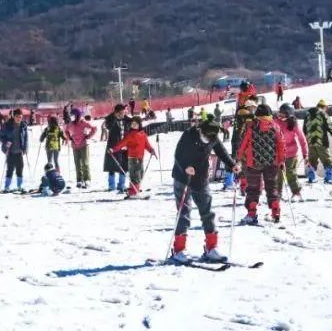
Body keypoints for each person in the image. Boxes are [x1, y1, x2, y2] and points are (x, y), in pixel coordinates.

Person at [169, 118, 239, 264]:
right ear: (201, 130)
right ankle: (178, 249)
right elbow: (178, 155)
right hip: (183, 177)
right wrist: (186, 166)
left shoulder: (213, 136)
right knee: (184, 212)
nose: (210, 139)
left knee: (207, 211)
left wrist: (232, 165)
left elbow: (221, 151)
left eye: (213, 137)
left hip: (200, 177)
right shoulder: (189, 135)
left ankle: (211, 248)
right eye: (208, 136)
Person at [238, 104, 285, 224]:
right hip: (272, 163)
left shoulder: (252, 127)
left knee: (253, 189)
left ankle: (252, 213)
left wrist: (238, 158)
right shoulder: (275, 127)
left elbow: (243, 143)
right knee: (272, 187)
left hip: (253, 163)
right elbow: (281, 145)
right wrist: (281, 161)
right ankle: (276, 211)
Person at [112, 116, 155, 197]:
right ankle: (133, 191)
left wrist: (151, 150)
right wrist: (113, 149)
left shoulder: (143, 134)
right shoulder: (130, 135)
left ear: (139, 124)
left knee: (140, 174)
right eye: (132, 123)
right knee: (135, 175)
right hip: (133, 158)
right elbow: (121, 143)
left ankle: (134, 189)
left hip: (140, 158)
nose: (134, 125)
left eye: (136, 123)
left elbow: (147, 145)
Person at [274, 104, 307, 201]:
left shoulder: (294, 124)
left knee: (290, 172)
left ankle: (296, 192)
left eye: (283, 115)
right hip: (278, 153)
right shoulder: (275, 122)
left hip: (291, 153)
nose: (281, 117)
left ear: (289, 115)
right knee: (278, 173)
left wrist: (305, 154)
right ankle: (277, 193)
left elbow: (302, 139)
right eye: (280, 114)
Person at [304, 100, 332, 184]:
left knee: (312, 160)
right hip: (321, 141)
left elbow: (304, 129)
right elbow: (329, 126)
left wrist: (309, 138)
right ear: (324, 107)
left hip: (311, 142)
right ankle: (329, 177)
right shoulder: (323, 114)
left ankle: (312, 177)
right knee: (327, 159)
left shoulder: (307, 115)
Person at [0, 109, 29, 193]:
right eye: (17, 117)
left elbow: (26, 138)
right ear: (13, 116)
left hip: (19, 150)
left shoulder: (23, 125)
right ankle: (7, 186)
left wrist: (25, 147)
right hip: (10, 150)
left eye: (20, 117)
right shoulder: (7, 125)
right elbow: (0, 136)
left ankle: (19, 185)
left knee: (20, 168)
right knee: (10, 169)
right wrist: (5, 142)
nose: (19, 118)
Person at [64, 108, 95, 189]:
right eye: (71, 115)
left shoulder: (83, 122)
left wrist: (88, 136)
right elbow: (66, 131)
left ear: (77, 115)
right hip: (75, 145)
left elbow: (94, 128)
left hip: (84, 145)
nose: (72, 117)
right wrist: (69, 137)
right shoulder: (70, 124)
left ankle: (87, 180)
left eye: (73, 115)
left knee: (85, 163)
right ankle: (79, 180)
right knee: (77, 163)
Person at [101, 105, 129, 193]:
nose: (123, 114)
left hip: (124, 146)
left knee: (123, 166)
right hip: (113, 146)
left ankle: (121, 184)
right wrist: (114, 118)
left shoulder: (127, 120)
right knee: (112, 166)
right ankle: (111, 185)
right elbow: (108, 126)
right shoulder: (110, 120)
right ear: (116, 113)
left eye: (124, 112)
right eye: (121, 113)